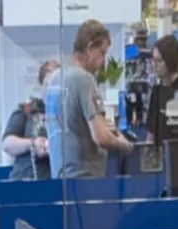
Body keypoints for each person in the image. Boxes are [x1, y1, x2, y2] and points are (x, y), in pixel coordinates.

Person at [49, 20, 133, 180]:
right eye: (102, 53)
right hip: (84, 181)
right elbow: (101, 136)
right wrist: (123, 144)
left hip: (60, 179)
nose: (103, 61)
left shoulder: (55, 79)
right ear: (89, 48)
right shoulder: (84, 79)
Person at [4, 58, 61, 180]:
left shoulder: (67, 113)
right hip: (26, 178)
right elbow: (7, 144)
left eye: (56, 84)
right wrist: (32, 144)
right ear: (41, 85)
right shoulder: (27, 110)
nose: (51, 89)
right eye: (48, 84)